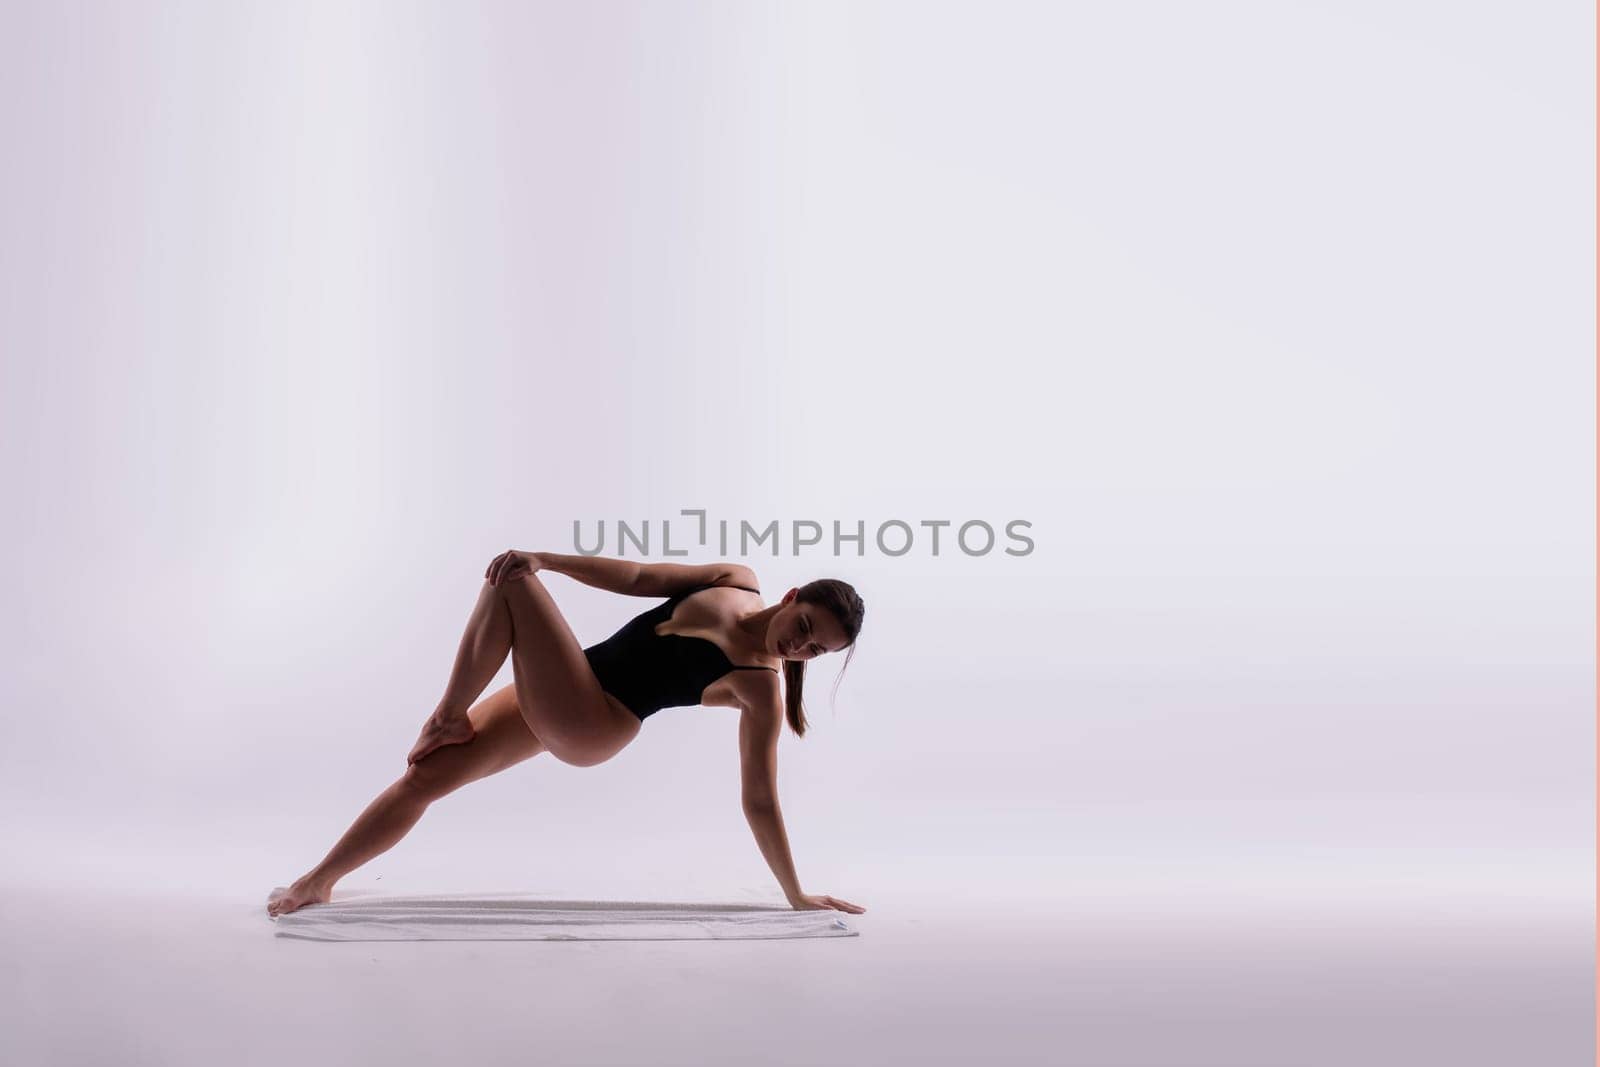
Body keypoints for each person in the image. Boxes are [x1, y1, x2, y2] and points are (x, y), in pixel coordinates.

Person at [266, 550, 867, 917]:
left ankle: (448, 712)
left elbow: (759, 799)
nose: (798, 647)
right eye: (805, 626)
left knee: (514, 580)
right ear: (790, 597)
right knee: (422, 780)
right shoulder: (733, 579)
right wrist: (550, 558)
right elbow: (636, 575)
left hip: (595, 723)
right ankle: (317, 883)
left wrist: (795, 893)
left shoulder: (757, 687)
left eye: (815, 650)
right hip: (569, 682)